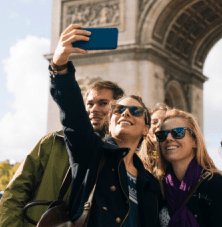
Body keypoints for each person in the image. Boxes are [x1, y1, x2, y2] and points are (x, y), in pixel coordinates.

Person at [48, 24, 162, 226]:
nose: (125, 112)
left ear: (146, 128)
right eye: (118, 110)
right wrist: (60, 67)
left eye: (135, 111)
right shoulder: (90, 152)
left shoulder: (151, 183)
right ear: (110, 123)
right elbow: (73, 113)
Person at [0, 79, 124, 227]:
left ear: (118, 109)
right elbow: (14, 195)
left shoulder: (124, 157)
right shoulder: (52, 142)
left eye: (103, 103)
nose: (94, 109)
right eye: (90, 104)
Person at [155, 109, 222, 227]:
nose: (168, 138)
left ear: (195, 141)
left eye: (178, 132)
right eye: (162, 135)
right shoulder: (158, 187)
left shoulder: (215, 186)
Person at [138, 103, 169, 174]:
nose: (159, 124)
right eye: (154, 122)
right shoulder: (136, 161)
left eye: (164, 122)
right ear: (146, 129)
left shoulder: (177, 159)